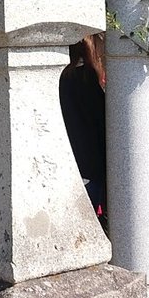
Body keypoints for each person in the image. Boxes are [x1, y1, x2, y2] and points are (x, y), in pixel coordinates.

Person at [60, 33, 107, 213]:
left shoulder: (63, 78)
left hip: (71, 154)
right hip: (90, 158)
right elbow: (99, 118)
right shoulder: (85, 76)